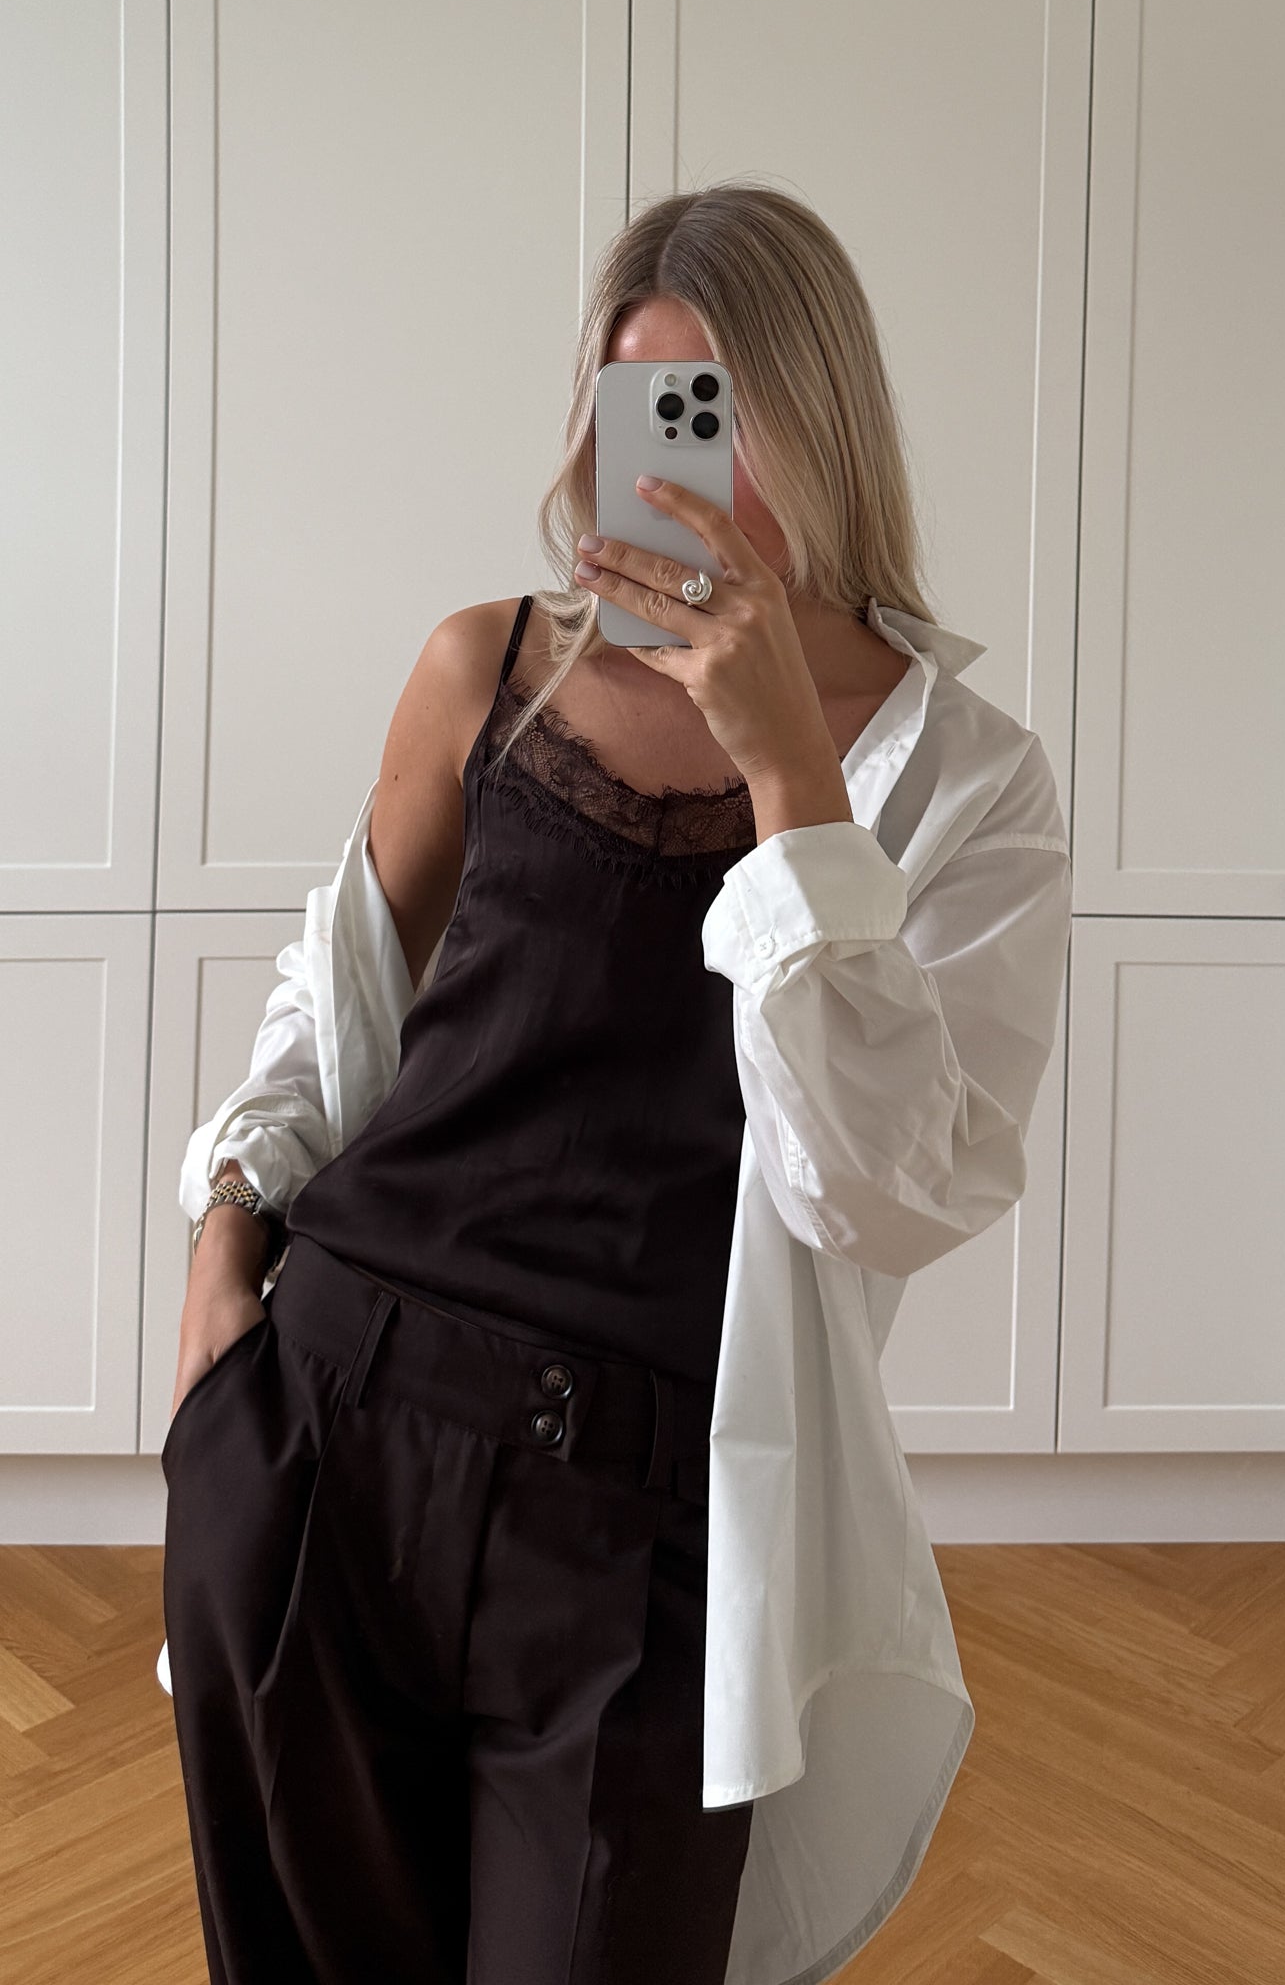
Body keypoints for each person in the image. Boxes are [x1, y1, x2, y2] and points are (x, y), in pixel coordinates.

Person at [161, 181, 1073, 1985]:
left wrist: (792, 780)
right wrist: (223, 1241)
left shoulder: (965, 784)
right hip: (331, 1428)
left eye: (720, 408)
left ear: (823, 419)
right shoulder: (482, 665)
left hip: (652, 1520)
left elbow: (891, 1192)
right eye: (645, 407)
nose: (680, 461)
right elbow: (333, 1005)